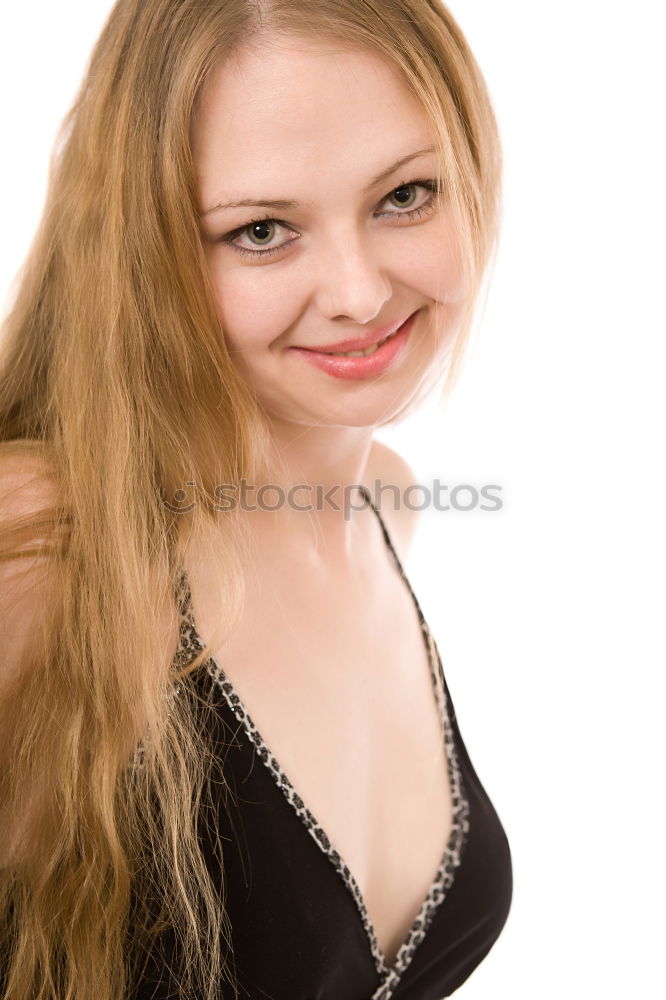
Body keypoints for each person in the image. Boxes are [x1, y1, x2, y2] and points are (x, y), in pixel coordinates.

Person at [0, 1, 512, 998]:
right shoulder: (42, 549)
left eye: (405, 194)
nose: (359, 291)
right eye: (263, 231)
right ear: (146, 251)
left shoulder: (388, 508)